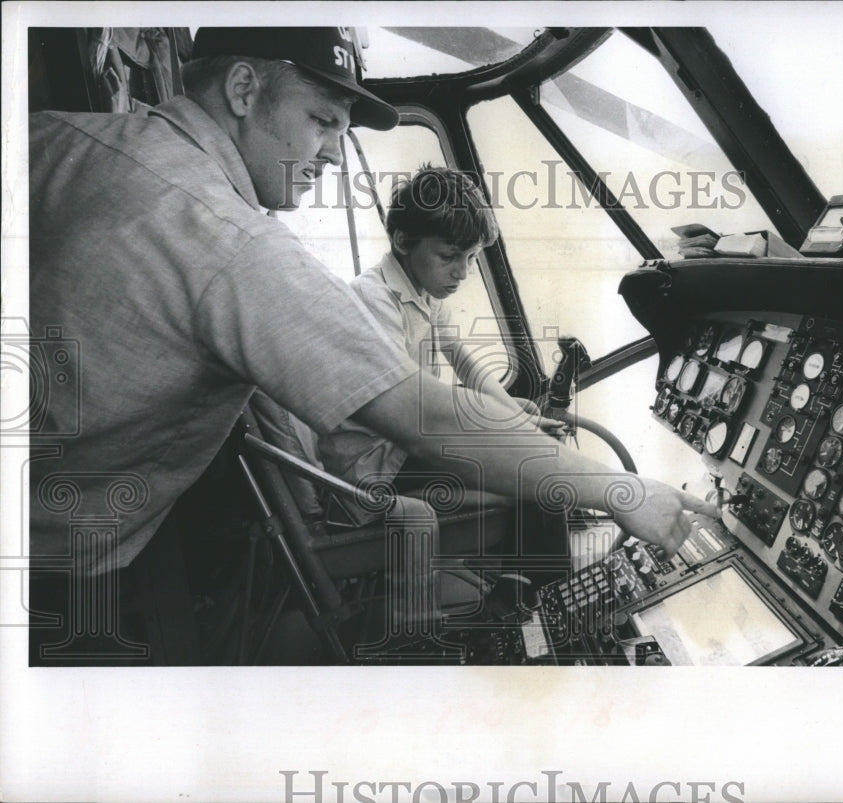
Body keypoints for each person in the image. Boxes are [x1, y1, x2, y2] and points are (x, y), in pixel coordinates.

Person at [27, 26, 717, 661]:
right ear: (242, 89)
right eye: (321, 120)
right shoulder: (234, 243)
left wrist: (516, 417)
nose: (334, 152)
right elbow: (429, 416)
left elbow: (463, 378)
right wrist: (623, 491)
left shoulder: (52, 138)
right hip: (57, 575)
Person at [317, 165, 564, 509]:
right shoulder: (373, 299)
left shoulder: (427, 294)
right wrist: (505, 426)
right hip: (377, 461)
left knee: (524, 419)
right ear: (403, 241)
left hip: (409, 439)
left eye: (472, 258)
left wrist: (519, 421)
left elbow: (466, 365)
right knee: (532, 474)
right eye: (449, 257)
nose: (462, 272)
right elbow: (406, 405)